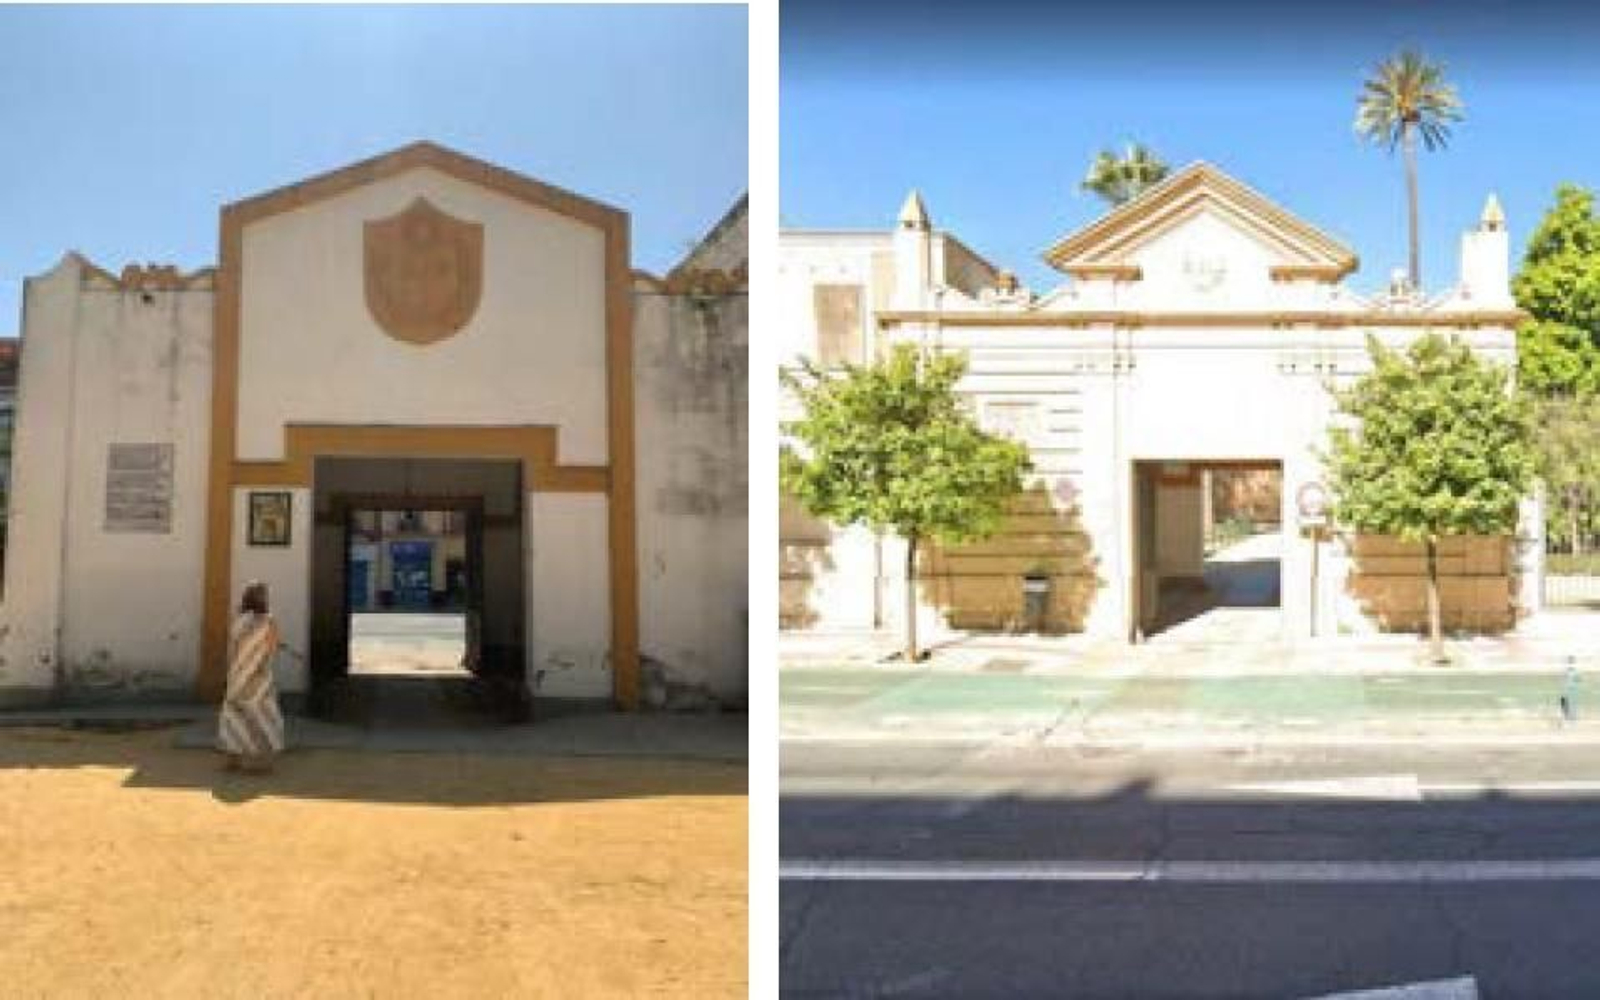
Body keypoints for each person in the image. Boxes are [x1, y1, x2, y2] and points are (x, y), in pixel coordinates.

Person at [218, 581, 285, 774]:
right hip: (259, 677)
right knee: (263, 718)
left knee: (234, 718)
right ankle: (262, 764)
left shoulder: (238, 620)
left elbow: (232, 647)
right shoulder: (269, 621)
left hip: (237, 675)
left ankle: (233, 761)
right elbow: (271, 650)